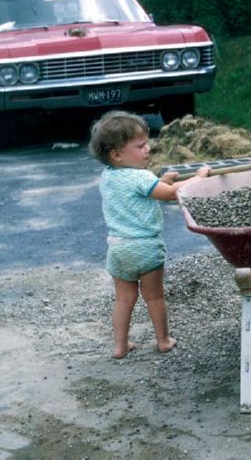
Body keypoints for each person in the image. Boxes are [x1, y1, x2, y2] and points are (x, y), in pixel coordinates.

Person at [89, 111, 209, 358]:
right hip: (145, 248)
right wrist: (197, 179)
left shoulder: (108, 177)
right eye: (140, 146)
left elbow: (141, 193)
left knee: (123, 299)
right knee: (154, 296)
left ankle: (120, 346)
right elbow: (168, 194)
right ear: (117, 154)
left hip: (119, 248)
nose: (148, 149)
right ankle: (163, 341)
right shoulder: (141, 177)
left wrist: (161, 180)